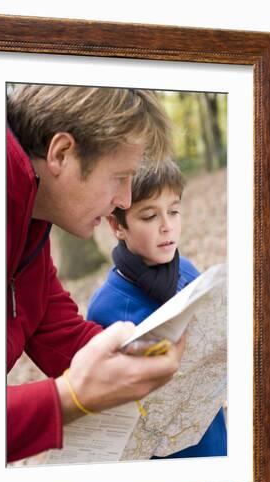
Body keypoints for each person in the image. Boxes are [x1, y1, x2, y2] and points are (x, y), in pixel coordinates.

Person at [6, 84, 185, 462]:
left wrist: (148, 355)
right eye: (120, 177)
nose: (124, 200)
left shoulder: (30, 226)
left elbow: (61, 335)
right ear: (62, 154)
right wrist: (69, 398)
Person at [87, 159, 227, 458]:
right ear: (117, 226)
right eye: (149, 216)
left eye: (174, 211)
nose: (167, 226)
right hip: (155, 459)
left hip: (211, 439)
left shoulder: (188, 272)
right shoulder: (106, 308)